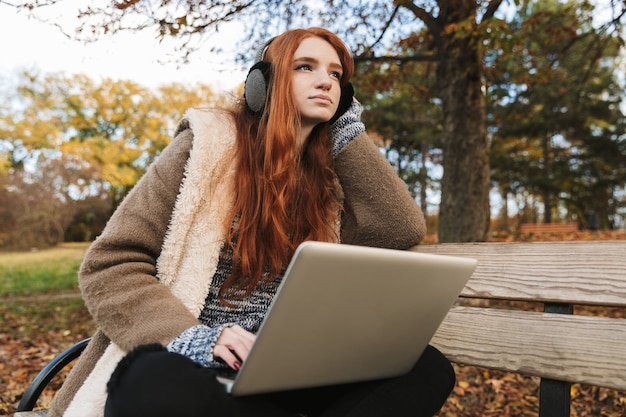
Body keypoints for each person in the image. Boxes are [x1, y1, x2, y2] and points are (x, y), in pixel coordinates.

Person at [48, 27, 455, 417]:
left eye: (336, 75)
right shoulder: (204, 148)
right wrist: (194, 339)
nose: (327, 81)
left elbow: (399, 229)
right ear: (262, 84)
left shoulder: (330, 179)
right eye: (305, 67)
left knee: (425, 368)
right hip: (198, 364)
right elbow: (109, 264)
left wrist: (345, 129)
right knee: (148, 379)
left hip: (289, 367)